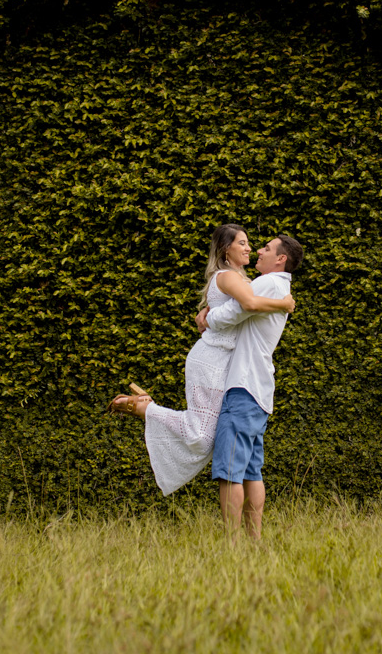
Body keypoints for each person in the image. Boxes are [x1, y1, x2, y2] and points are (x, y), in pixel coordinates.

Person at [108, 224, 294, 496]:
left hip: (223, 363)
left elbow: (221, 310)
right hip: (212, 361)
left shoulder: (240, 280)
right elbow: (250, 305)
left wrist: (206, 314)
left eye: (249, 243)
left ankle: (145, 407)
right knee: (203, 437)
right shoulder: (229, 278)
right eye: (241, 243)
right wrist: (284, 304)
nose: (249, 248)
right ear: (225, 249)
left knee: (207, 438)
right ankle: (144, 408)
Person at [198, 233, 303, 540]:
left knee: (230, 470)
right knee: (250, 471)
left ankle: (231, 544)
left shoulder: (268, 284)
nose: (259, 250)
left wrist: (207, 316)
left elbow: (236, 309)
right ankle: (254, 541)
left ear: (280, 259)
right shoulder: (280, 287)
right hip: (258, 391)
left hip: (243, 387)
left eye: (267, 248)